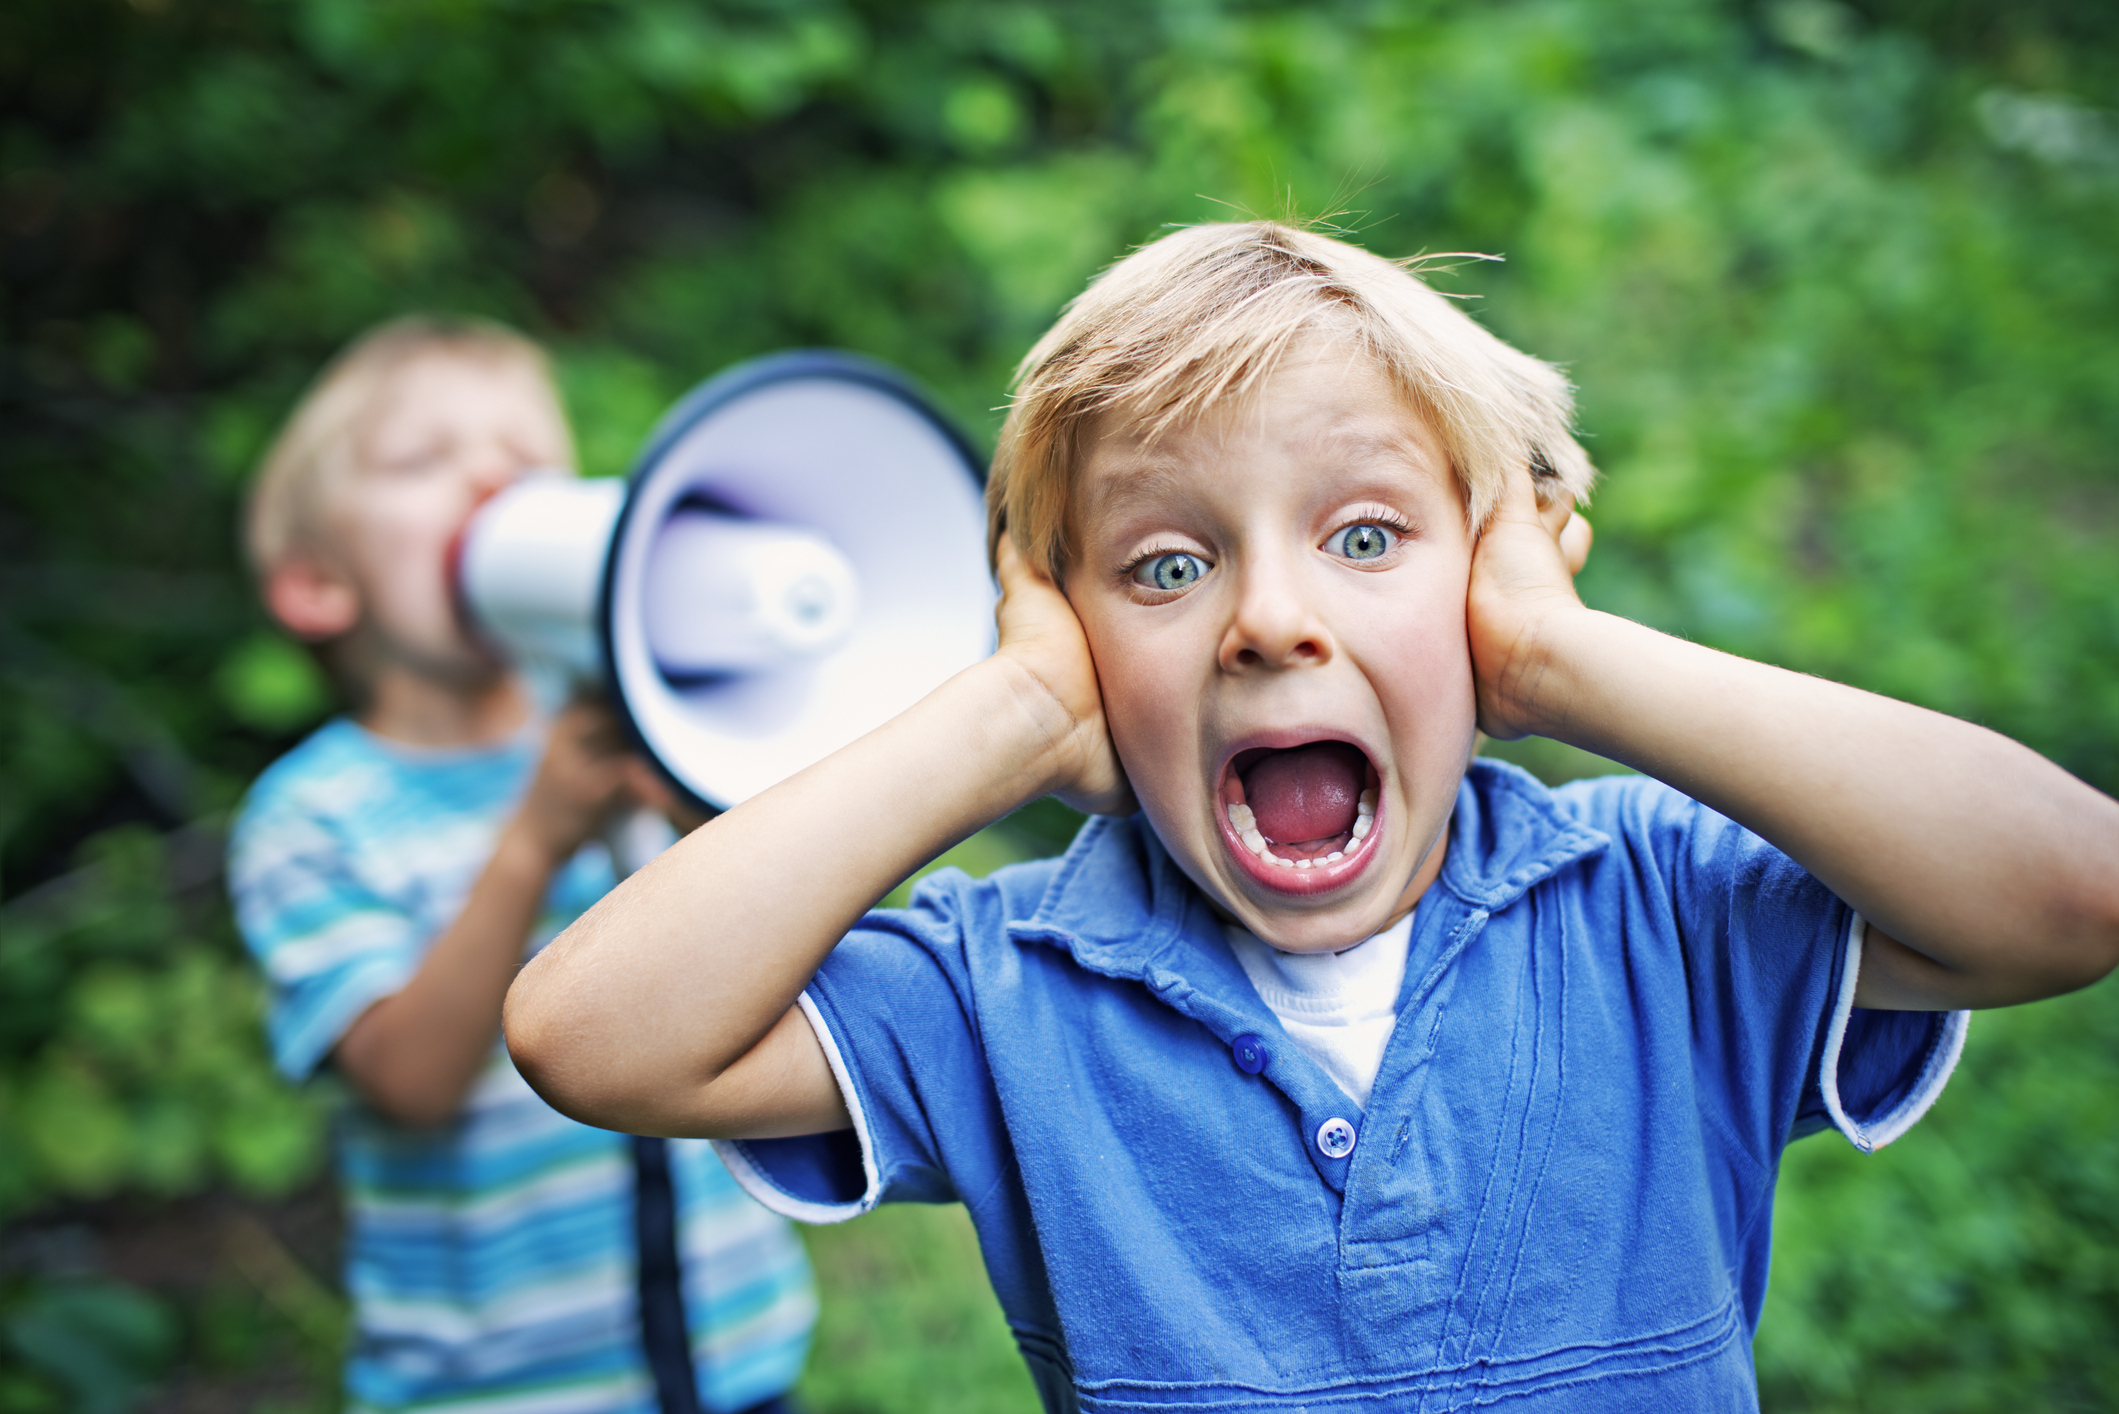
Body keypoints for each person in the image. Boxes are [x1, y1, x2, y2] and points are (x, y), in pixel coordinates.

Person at [501, 225, 2119, 1412]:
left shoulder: (1654, 906)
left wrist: (1562, 657)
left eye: (1362, 535)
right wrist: (1002, 715)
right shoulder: (1008, 985)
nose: (1268, 618)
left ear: (1490, 574)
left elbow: (2067, 890)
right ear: (1068, 636)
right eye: (1163, 564)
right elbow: (593, 1032)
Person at [227, 316, 816, 1414]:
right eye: (420, 460)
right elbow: (410, 1081)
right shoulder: (313, 815)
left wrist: (699, 806)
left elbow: (780, 965)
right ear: (317, 582)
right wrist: (536, 841)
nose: (490, 479)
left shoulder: (644, 730)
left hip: (739, 1358)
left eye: (525, 460)